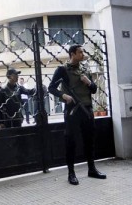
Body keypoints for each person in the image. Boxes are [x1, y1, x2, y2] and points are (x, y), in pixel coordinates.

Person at [48, 44, 106, 185]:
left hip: (87, 110)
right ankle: (71, 173)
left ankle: (91, 169)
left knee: (89, 140)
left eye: (83, 52)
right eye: (80, 52)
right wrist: (64, 96)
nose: (83, 54)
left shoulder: (85, 69)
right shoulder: (62, 70)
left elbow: (93, 90)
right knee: (71, 142)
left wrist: (88, 83)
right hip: (72, 111)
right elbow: (51, 88)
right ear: (72, 54)